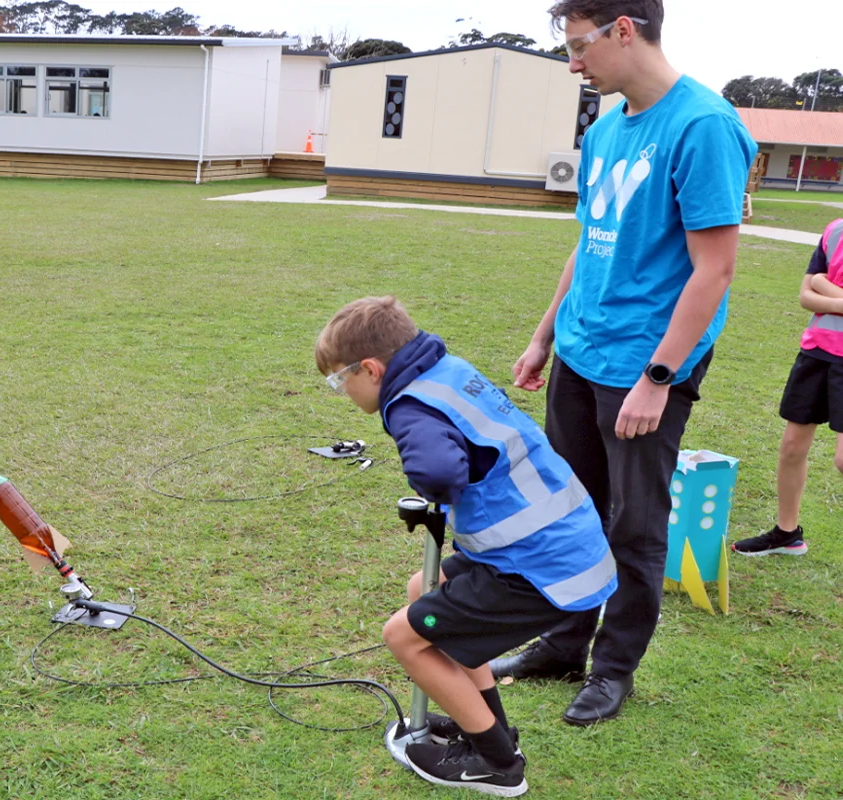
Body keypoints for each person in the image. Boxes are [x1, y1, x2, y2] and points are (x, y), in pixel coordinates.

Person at [488, 0, 757, 726]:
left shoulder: (704, 126)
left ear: (625, 30)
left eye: (580, 45)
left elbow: (714, 271)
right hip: (581, 352)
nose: (573, 63)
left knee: (633, 524)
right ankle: (562, 645)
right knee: (570, 510)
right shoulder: (606, 129)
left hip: (645, 367)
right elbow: (588, 241)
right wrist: (545, 335)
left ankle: (614, 670)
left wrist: (657, 379)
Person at [315, 296, 617, 796]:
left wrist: (431, 486)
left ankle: (497, 766)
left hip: (542, 568)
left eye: (339, 380)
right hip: (556, 546)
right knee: (423, 588)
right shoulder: (445, 371)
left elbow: (438, 471)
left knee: (402, 637)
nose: (341, 391)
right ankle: (487, 729)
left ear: (370, 368)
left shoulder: (411, 405)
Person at [732, 137, 843, 610]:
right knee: (792, 447)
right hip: (816, 353)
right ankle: (787, 533)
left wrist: (824, 287)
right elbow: (806, 296)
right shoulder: (835, 231)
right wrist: (839, 297)